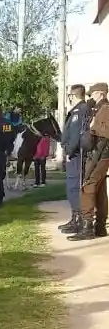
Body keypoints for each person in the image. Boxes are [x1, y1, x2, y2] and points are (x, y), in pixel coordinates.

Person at [69, 82, 109, 241]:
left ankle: (87, 227)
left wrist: (93, 127)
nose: (90, 97)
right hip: (98, 154)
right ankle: (99, 227)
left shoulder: (105, 109)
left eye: (92, 94)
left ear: (100, 93)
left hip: (101, 154)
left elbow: (104, 132)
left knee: (87, 187)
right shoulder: (99, 109)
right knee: (99, 190)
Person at [60, 84, 90, 233]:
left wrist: (69, 151)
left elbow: (75, 136)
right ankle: (75, 218)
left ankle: (78, 220)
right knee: (71, 187)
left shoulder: (79, 110)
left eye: (69, 96)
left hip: (75, 155)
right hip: (74, 154)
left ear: (73, 95)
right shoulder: (79, 110)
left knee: (74, 187)